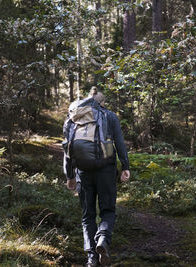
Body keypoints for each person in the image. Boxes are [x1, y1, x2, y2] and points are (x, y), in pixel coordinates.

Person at [64, 88, 130, 267]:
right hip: (106, 170)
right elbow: (119, 142)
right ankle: (103, 238)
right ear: (102, 103)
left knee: (88, 215)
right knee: (108, 210)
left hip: (82, 172)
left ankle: (91, 257)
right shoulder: (109, 116)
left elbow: (67, 151)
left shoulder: (73, 119)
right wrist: (125, 166)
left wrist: (69, 175)